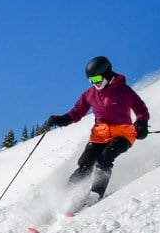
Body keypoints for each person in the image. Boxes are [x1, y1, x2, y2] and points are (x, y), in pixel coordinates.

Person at [45, 55, 149, 207]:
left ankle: (95, 195)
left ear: (107, 74)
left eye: (98, 78)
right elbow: (76, 112)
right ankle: (65, 196)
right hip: (99, 135)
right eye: (91, 80)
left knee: (105, 159)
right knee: (85, 164)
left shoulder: (123, 90)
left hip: (123, 133)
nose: (96, 83)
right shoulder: (90, 94)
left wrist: (141, 123)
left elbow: (140, 109)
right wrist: (62, 119)